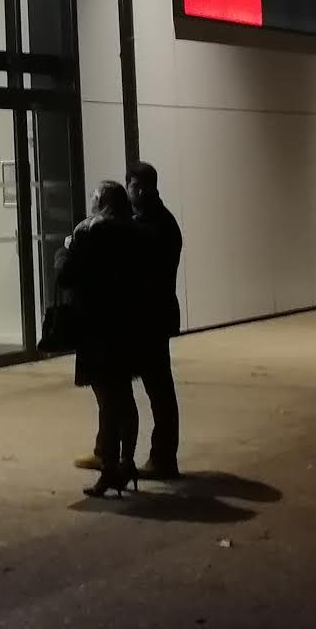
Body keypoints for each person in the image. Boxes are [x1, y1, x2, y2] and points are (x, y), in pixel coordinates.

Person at [53, 181, 158, 497]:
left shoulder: (89, 232)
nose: (91, 202)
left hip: (98, 327)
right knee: (124, 396)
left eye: (94, 197)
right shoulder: (139, 234)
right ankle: (126, 463)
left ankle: (110, 468)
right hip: (130, 327)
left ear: (102, 202)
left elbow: (67, 276)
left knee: (107, 401)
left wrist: (63, 251)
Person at [128, 160, 184, 478]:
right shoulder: (157, 221)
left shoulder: (155, 225)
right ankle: (162, 456)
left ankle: (163, 457)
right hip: (154, 314)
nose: (131, 193)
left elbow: (144, 268)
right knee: (158, 386)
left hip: (152, 316)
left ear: (141, 188)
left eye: (133, 186)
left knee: (159, 388)